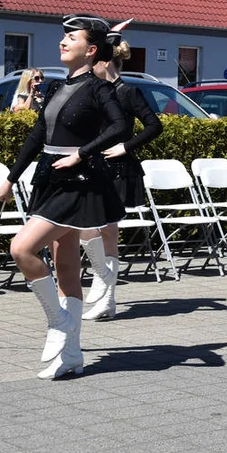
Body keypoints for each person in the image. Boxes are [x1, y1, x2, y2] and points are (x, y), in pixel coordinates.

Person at [0, 14, 128, 379]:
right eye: (64, 36)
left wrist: (83, 153)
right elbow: (37, 135)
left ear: (90, 50)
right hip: (49, 179)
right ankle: (71, 355)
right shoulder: (56, 87)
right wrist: (11, 178)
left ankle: (59, 323)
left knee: (21, 248)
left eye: (72, 37)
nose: (63, 41)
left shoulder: (98, 88)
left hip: (78, 181)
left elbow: (122, 126)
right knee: (66, 266)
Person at [79, 30, 162, 320]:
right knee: (85, 227)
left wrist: (125, 147)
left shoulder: (128, 92)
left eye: (95, 64)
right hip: (92, 166)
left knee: (108, 232)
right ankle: (102, 279)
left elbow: (154, 126)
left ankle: (108, 297)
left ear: (106, 63)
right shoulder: (94, 90)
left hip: (116, 168)